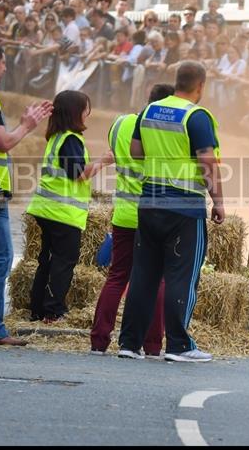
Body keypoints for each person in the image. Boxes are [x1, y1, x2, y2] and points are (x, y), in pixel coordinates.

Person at [118, 61, 224, 362]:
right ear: (200, 85)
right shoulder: (197, 116)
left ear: (176, 80)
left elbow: (137, 151)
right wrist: (219, 201)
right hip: (184, 208)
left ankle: (129, 343)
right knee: (181, 275)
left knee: (143, 276)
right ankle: (179, 346)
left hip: (149, 203)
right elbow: (207, 163)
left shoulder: (149, 111)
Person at [90, 84, 174, 356]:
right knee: (157, 280)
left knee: (117, 277)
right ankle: (151, 345)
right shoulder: (162, 134)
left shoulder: (120, 124)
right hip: (152, 215)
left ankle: (99, 341)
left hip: (124, 214)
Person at [0, 42, 53, 345]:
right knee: (0, 258)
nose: (5, 68)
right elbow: (3, 143)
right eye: (3, 63)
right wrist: (27, 125)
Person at [26, 90, 112, 323]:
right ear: (76, 113)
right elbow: (79, 175)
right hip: (62, 213)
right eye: (86, 110)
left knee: (47, 260)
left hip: (46, 208)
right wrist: (104, 161)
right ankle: (53, 311)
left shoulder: (56, 137)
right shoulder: (71, 139)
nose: (88, 115)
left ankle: (37, 309)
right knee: (64, 262)